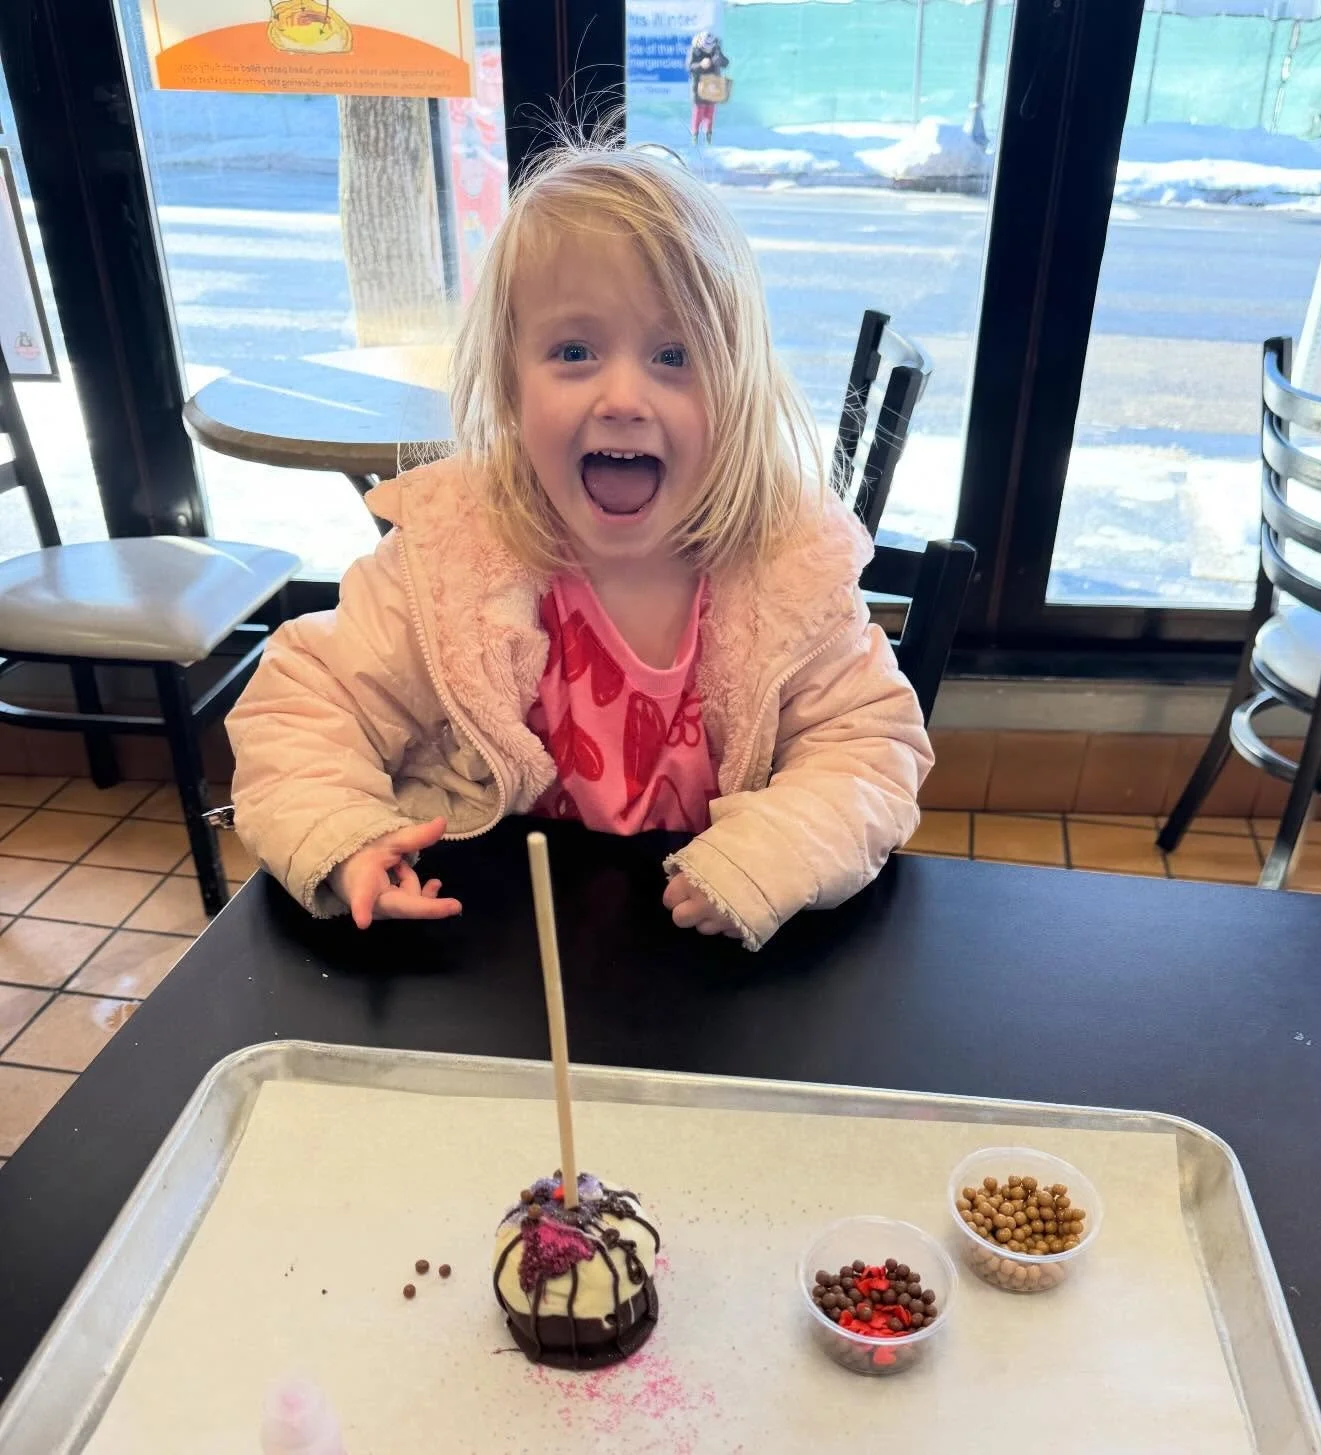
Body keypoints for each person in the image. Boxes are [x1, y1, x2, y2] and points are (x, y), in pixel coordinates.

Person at [227, 144, 932, 950]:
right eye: (573, 353)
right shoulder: (451, 561)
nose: (623, 398)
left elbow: (870, 749)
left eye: (675, 357)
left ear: (738, 392)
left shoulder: (785, 569)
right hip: (496, 959)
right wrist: (341, 835)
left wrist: (772, 854)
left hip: (709, 966)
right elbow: (304, 704)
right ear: (510, 386)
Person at [686, 29, 729, 144]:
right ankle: (694, 136)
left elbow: (726, 62)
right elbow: (690, 67)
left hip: (713, 85)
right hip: (699, 86)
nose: (708, 48)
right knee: (698, 112)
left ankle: (708, 136)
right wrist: (701, 65)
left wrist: (717, 59)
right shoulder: (695, 50)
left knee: (710, 112)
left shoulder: (716, 49)